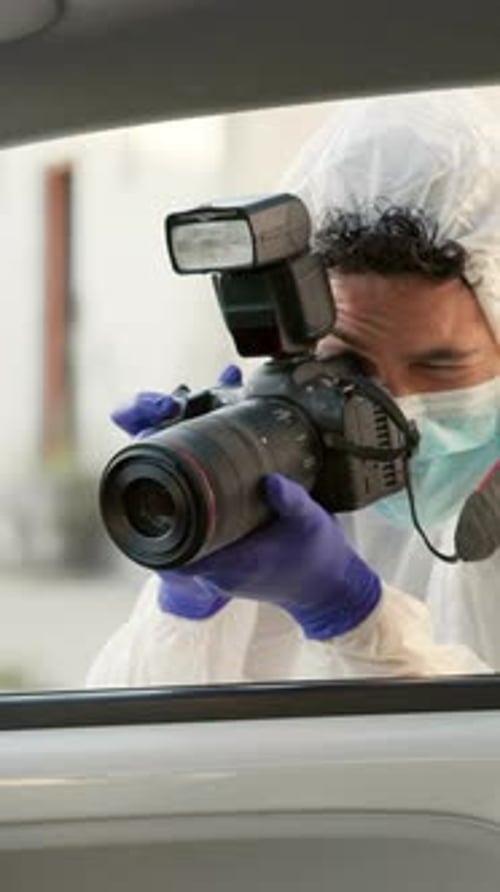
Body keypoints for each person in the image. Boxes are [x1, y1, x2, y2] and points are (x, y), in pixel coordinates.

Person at [87, 88, 500, 688]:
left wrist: (354, 616)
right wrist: (199, 586)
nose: (396, 407)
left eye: (440, 367)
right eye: (349, 368)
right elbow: (142, 760)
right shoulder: (305, 497)